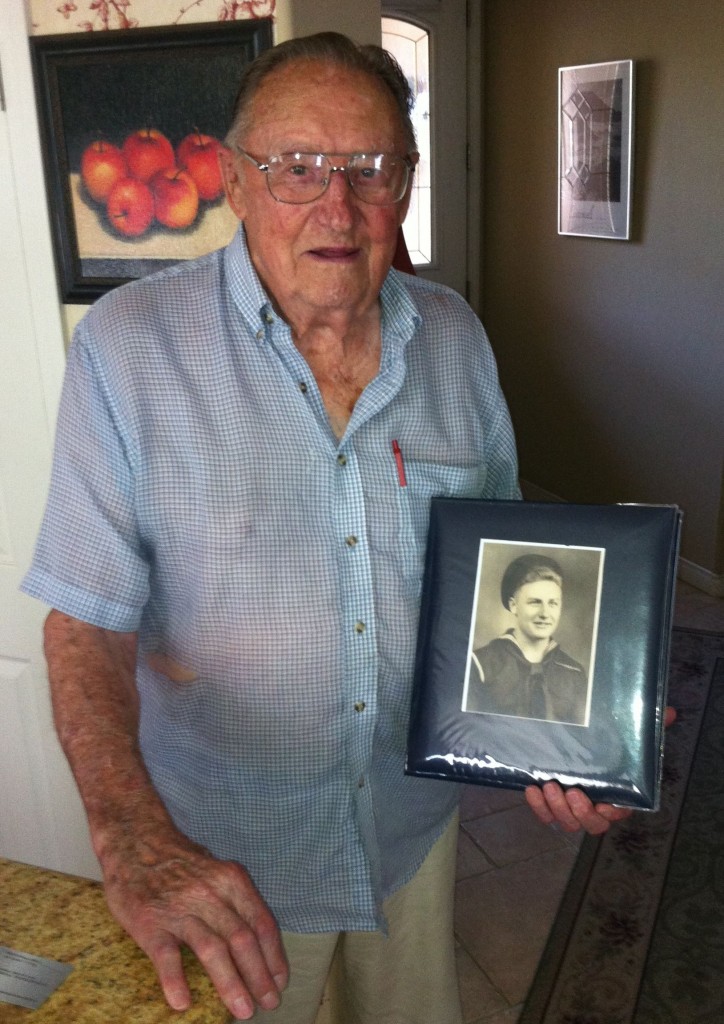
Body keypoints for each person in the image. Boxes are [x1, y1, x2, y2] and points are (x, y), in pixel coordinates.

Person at [22, 32, 633, 1024]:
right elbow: (83, 623)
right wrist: (133, 838)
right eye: (297, 168)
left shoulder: (457, 337)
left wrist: (576, 731)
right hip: (227, 860)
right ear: (233, 180)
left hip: (408, 833)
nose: (337, 207)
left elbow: (512, 573)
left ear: (406, 182)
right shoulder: (128, 351)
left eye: (371, 169)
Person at [465, 554, 589, 724]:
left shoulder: (574, 673)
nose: (545, 614)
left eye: (553, 603)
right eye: (535, 602)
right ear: (513, 605)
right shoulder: (481, 664)